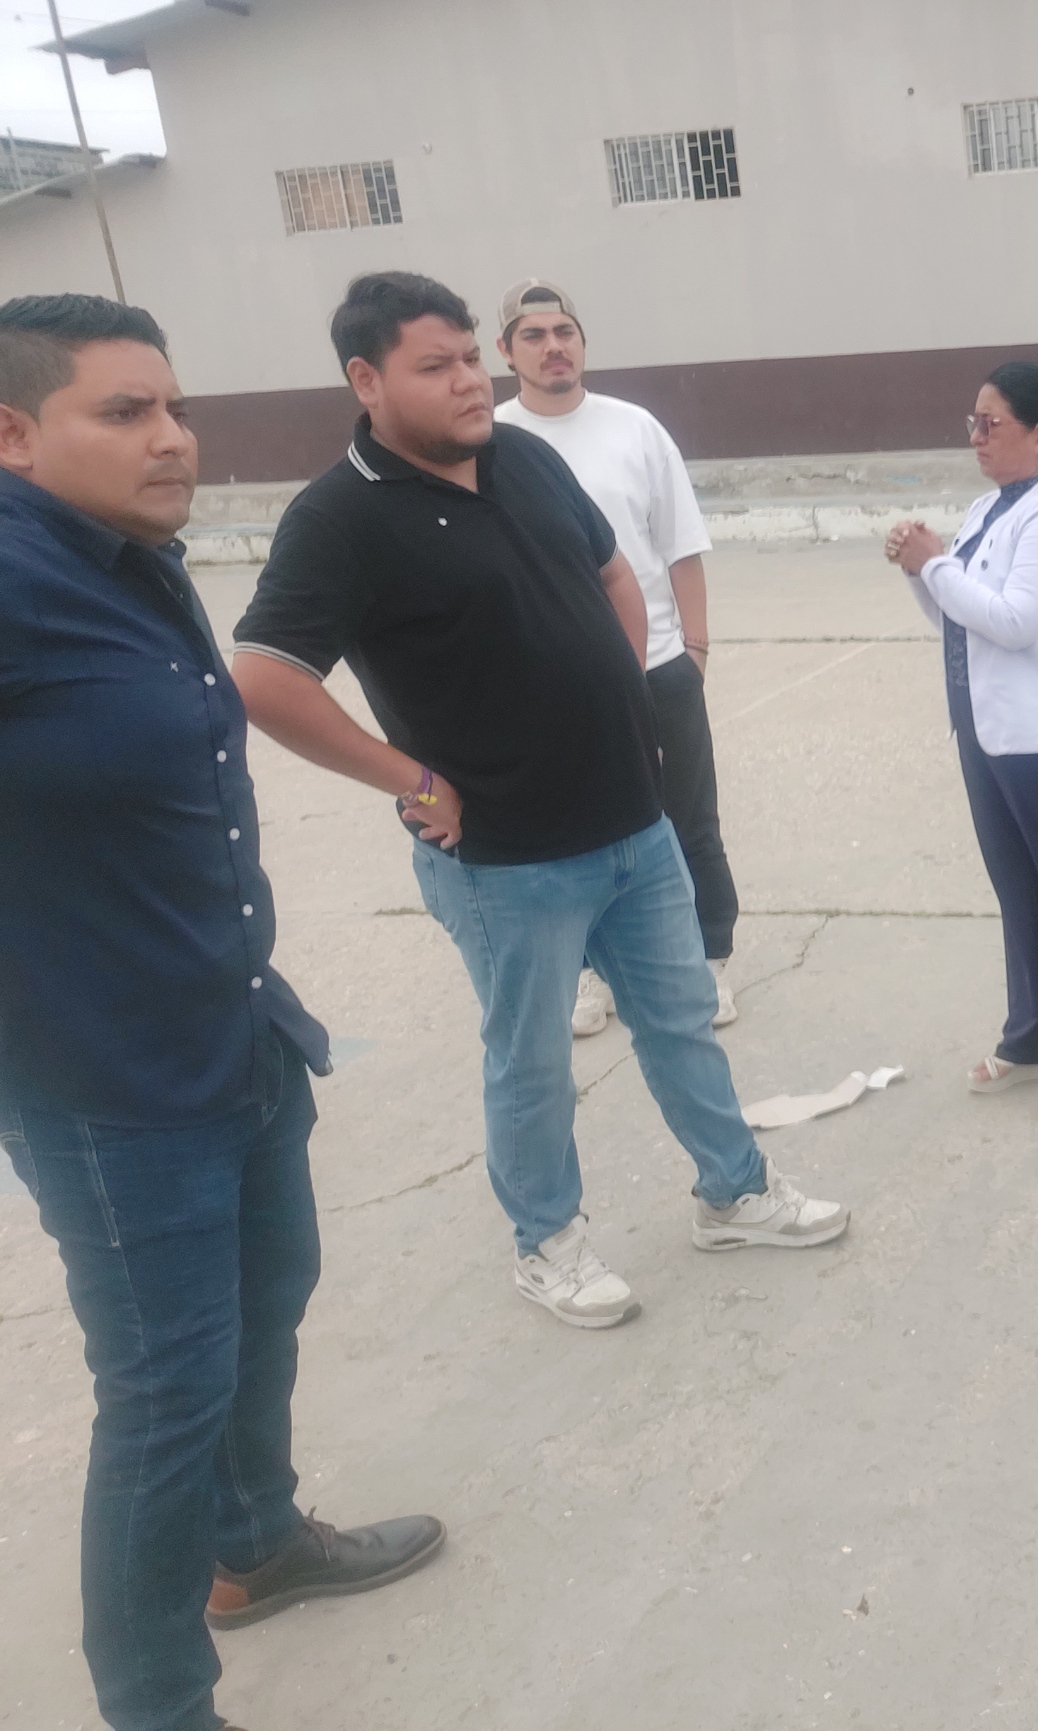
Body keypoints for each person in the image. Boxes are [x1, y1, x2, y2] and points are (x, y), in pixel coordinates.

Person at [231, 272, 847, 1332]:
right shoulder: (339, 518)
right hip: (507, 859)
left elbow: (613, 574)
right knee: (532, 1065)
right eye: (438, 365)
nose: (472, 380)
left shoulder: (522, 457)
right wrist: (414, 779)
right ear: (366, 380)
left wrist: (621, 696)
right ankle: (548, 1242)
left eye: (472, 356)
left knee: (682, 1024)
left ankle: (734, 1192)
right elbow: (264, 678)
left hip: (634, 825)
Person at [0, 294, 442, 1731]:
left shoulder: (130, 560)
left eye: (176, 408)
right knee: (163, 1393)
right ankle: (158, 1706)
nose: (173, 437)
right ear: (13, 435)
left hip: (235, 1024)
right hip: (107, 1083)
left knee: (268, 1301)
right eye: (124, 412)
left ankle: (256, 1545)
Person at [493, 278, 740, 1036]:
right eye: (534, 335)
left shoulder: (636, 429)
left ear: (582, 342)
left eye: (564, 332)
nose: (553, 347)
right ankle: (589, 976)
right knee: (574, 831)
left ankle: (709, 961)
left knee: (687, 820)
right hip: (549, 682)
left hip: (658, 667)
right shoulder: (490, 439)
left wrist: (694, 651)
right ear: (505, 352)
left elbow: (681, 547)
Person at [883, 362, 1038, 1123]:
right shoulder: (989, 507)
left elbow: (1014, 621)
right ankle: (1030, 1037)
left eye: (992, 424)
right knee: (1019, 895)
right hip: (986, 733)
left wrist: (935, 562)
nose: (977, 438)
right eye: (972, 423)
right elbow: (959, 614)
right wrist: (920, 570)